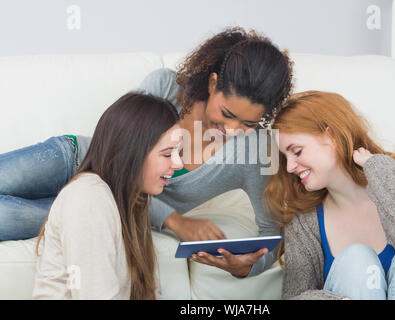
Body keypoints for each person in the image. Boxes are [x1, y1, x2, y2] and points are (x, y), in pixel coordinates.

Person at [0, 27, 293, 278]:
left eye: (248, 123)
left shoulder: (254, 151)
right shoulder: (166, 87)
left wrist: (245, 268)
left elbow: (271, 233)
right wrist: (176, 221)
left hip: (103, 206)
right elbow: (120, 162)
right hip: (74, 157)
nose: (232, 129)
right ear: (214, 83)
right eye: (227, 113)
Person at [264, 90, 395, 300]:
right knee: (356, 259)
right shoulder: (305, 219)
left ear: (331, 136)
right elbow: (294, 296)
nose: (289, 167)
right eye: (284, 157)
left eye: (296, 151)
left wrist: (379, 170)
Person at [32, 92, 183, 299]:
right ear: (132, 152)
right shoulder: (88, 197)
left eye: (178, 153)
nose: (178, 164)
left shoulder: (133, 202)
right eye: (167, 154)